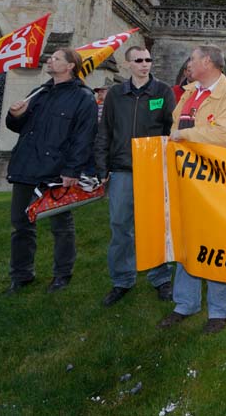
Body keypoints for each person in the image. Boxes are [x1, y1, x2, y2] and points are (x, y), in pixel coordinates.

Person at [160, 45, 226, 334]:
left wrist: (184, 135)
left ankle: (219, 310)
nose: (189, 64)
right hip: (186, 178)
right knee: (186, 238)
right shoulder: (188, 92)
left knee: (215, 244)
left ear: (207, 62)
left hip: (215, 180)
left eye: (193, 59)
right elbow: (173, 125)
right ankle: (185, 304)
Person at [5, 48, 97, 295]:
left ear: (70, 66)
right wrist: (14, 115)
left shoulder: (83, 97)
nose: (49, 60)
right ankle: (21, 275)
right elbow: (19, 127)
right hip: (27, 167)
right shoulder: (40, 93)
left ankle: (62, 274)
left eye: (56, 58)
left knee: (61, 226)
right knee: (21, 224)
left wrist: (72, 170)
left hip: (57, 171)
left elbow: (83, 137)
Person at [95, 45, 176, 306]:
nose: (145, 64)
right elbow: (105, 131)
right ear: (128, 64)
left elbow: (171, 130)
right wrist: (102, 167)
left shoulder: (163, 92)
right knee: (120, 226)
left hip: (153, 169)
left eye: (148, 59)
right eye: (139, 60)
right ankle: (122, 280)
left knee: (155, 226)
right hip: (122, 170)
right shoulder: (116, 94)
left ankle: (161, 278)